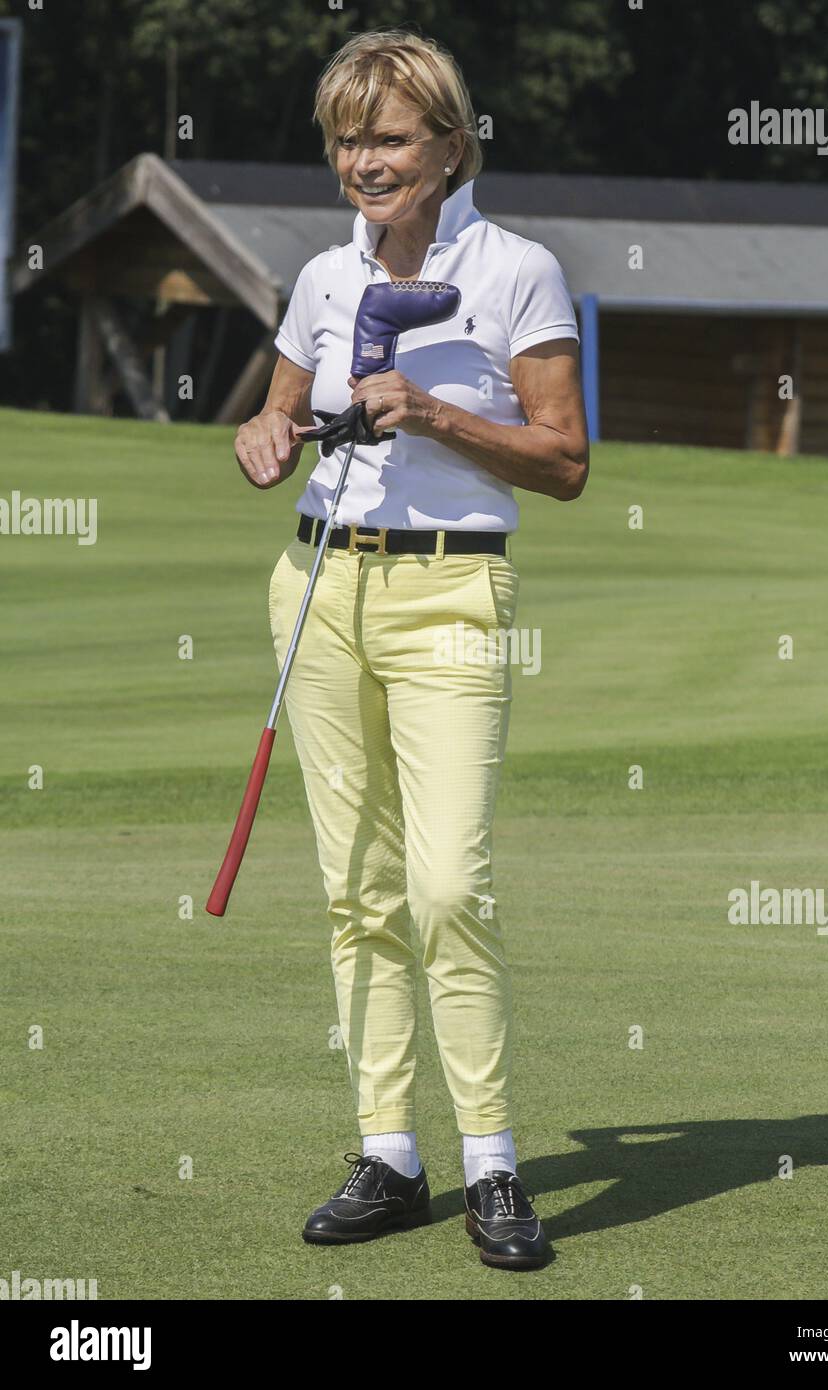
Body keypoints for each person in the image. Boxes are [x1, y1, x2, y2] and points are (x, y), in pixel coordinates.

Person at [233, 28, 588, 1270]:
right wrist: (264, 436)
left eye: (385, 137)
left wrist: (434, 410)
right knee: (358, 893)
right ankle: (390, 1152)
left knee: (446, 886)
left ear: (447, 144)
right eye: (345, 140)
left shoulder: (517, 273)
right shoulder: (325, 278)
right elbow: (275, 409)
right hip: (319, 589)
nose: (362, 162)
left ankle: (492, 1165)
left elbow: (565, 463)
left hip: (450, 602)